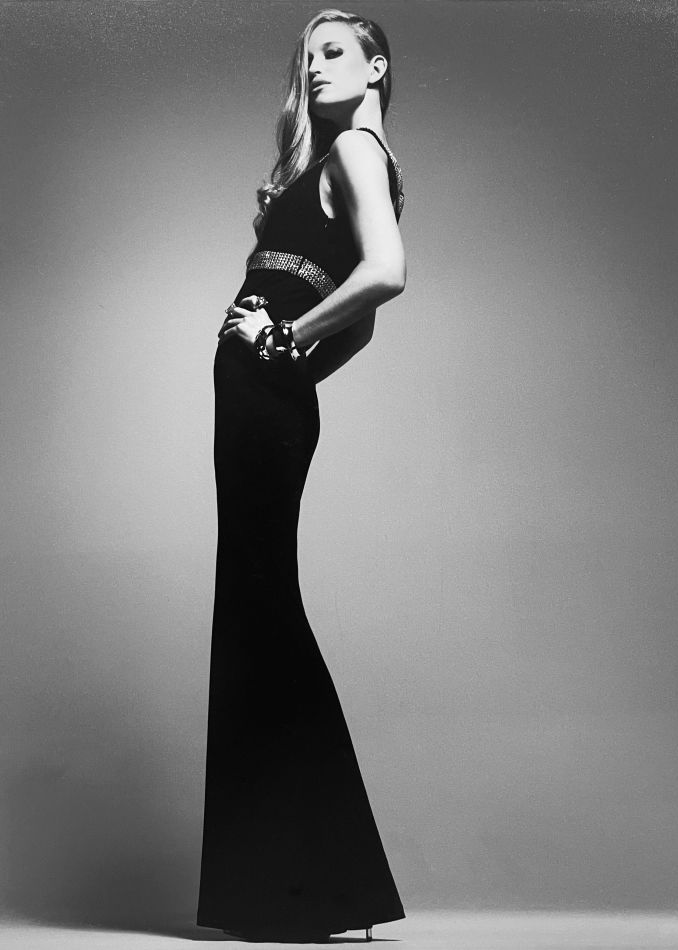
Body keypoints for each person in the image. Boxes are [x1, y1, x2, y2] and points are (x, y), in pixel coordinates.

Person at [196, 8, 406, 943]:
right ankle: (294, 890)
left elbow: (385, 277)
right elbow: (358, 325)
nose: (315, 69)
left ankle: (323, 888)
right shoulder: (340, 163)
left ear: (376, 66)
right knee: (255, 610)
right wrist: (292, 370)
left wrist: (280, 342)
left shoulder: (357, 150)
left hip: (262, 397)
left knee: (261, 611)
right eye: (306, 58)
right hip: (260, 400)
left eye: (334, 53)